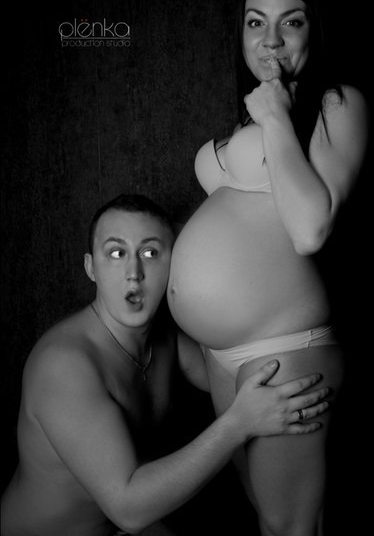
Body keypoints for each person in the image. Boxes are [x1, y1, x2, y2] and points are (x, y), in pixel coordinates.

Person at [167, 0, 369, 536]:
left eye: (291, 22)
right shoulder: (246, 120)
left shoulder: (336, 105)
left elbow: (309, 230)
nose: (271, 39)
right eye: (256, 22)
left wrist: (277, 114)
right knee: (264, 514)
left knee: (289, 526)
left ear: (314, 32)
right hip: (219, 354)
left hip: (284, 347)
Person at [1, 193, 331, 536]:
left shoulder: (165, 340)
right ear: (91, 268)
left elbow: (235, 376)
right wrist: (238, 424)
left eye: (150, 253)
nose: (134, 274)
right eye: (116, 254)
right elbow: (128, 507)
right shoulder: (64, 365)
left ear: (174, 264)